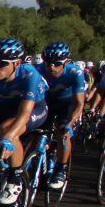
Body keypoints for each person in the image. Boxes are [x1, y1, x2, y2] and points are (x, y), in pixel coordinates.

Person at [0, 38, 49, 205]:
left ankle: (15, 179)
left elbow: (24, 113)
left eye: (2, 64)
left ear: (17, 63)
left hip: (34, 109)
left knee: (6, 130)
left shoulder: (29, 74)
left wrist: (9, 138)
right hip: (3, 107)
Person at [37, 42, 86, 188]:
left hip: (67, 103)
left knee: (62, 132)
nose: (51, 67)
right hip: (46, 102)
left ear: (66, 62)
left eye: (57, 63)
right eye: (47, 63)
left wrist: (70, 124)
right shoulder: (38, 70)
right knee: (34, 133)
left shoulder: (75, 72)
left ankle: (60, 168)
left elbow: (79, 103)